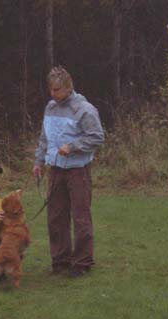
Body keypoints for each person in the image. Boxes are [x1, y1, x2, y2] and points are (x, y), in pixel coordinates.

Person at [32, 66, 104, 278]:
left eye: (57, 90)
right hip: (55, 170)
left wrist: (72, 147)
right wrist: (38, 161)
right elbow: (44, 138)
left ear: (68, 86)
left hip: (77, 171)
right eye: (50, 89)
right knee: (55, 217)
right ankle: (60, 260)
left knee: (80, 217)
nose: (53, 94)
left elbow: (97, 137)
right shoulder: (50, 107)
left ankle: (82, 262)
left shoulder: (84, 109)